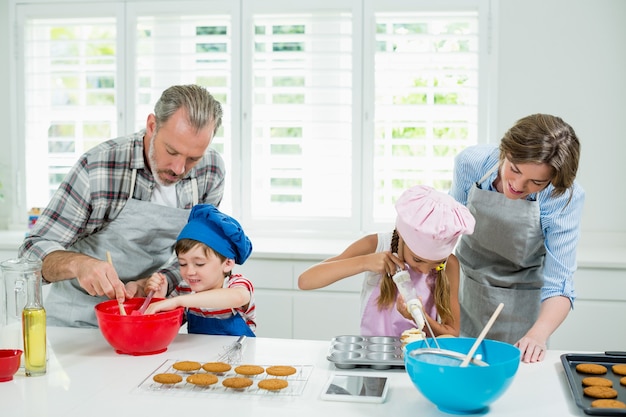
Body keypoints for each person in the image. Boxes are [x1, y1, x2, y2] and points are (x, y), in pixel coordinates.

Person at [18, 84, 226, 328]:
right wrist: (79, 264)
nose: (179, 169)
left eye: (193, 159)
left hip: (148, 320)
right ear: (152, 126)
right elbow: (30, 252)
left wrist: (159, 281)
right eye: (171, 151)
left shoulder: (210, 171)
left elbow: (198, 253)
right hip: (77, 325)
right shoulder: (100, 167)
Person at [450, 113, 584, 363]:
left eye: (536, 182)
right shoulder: (471, 164)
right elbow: (447, 230)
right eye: (514, 169)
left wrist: (537, 335)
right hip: (464, 297)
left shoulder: (563, 198)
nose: (518, 186)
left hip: (522, 309)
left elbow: (560, 285)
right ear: (505, 151)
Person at [298, 185, 475, 338]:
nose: (423, 271)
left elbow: (451, 332)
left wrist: (419, 317)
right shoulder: (375, 245)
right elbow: (305, 281)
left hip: (419, 362)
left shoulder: (450, 265)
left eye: (436, 264)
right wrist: (365, 262)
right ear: (403, 237)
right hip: (372, 361)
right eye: (418, 260)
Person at [142, 204, 255, 337]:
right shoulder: (184, 289)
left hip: (239, 356)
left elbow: (238, 297)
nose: (189, 272)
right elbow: (162, 331)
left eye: (199, 264)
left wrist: (177, 301)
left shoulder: (236, 285)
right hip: (199, 357)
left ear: (228, 263)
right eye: (183, 263)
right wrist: (159, 299)